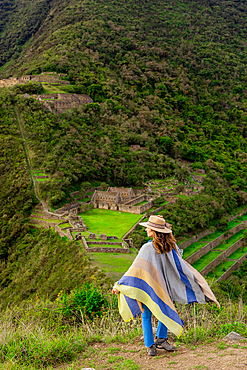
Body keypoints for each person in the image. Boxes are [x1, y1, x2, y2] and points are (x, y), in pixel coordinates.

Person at [112, 215, 220, 356]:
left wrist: (119, 284)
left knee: (158, 311)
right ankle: (152, 344)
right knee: (154, 312)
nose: (145, 229)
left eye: (148, 227)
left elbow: (135, 269)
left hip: (162, 286)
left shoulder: (166, 247)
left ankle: (158, 342)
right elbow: (136, 269)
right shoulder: (159, 247)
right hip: (152, 286)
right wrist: (119, 285)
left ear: (155, 231)